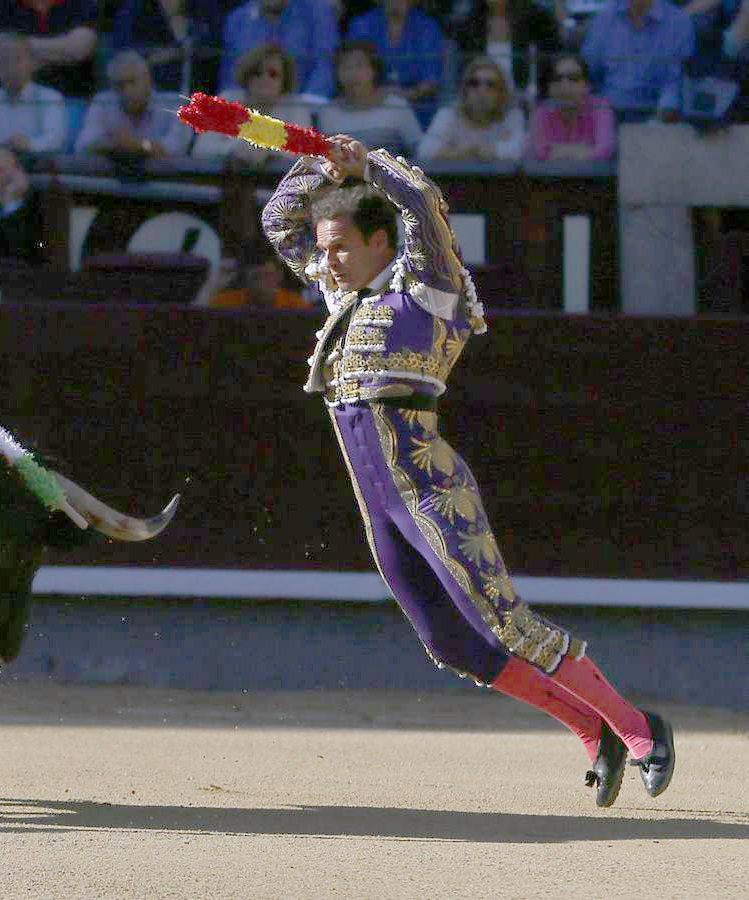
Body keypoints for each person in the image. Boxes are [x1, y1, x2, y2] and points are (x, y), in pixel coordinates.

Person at [259, 133, 675, 807]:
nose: (327, 262)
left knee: (503, 620)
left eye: (341, 247)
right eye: (324, 249)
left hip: (429, 490)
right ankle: (588, 728)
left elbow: (420, 202)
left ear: (381, 245)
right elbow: (279, 222)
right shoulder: (343, 299)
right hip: (379, 505)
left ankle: (638, 729)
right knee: (448, 642)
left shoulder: (430, 291)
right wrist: (317, 165)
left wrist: (368, 165)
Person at [192, 42, 323, 166]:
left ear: (284, 81)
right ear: (247, 76)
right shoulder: (227, 100)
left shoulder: (296, 106)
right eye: (257, 73)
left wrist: (265, 149)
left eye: (273, 74)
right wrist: (235, 149)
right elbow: (200, 150)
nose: (264, 79)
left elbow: (307, 154)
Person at [580, 0, 696, 122]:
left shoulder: (679, 23)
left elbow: (674, 85)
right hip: (605, 112)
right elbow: (589, 73)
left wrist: (655, 124)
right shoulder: (602, 19)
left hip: (656, 114)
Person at [344, 0, 448, 123]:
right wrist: (380, 97)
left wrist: (403, 96)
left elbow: (431, 80)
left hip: (419, 111)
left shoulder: (428, 27)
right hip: (367, 107)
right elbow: (353, 72)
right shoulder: (360, 25)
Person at [72, 51, 193, 157]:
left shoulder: (175, 104)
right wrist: (113, 144)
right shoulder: (103, 102)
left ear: (148, 79)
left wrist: (139, 145)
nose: (127, 91)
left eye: (132, 82)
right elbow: (83, 146)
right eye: (120, 85)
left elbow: (175, 149)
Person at [314, 41, 424, 155]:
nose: (353, 73)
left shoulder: (396, 106)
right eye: (346, 67)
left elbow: (418, 152)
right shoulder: (328, 112)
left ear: (373, 71)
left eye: (359, 66)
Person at [215, 0, 341, 100]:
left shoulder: (319, 12)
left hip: (301, 106)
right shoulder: (236, 19)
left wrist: (306, 107)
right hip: (250, 105)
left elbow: (325, 65)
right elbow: (230, 76)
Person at [0, 0, 102, 98]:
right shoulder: (6, 3)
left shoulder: (80, 3)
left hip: (71, 96)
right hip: (15, 96)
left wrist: (16, 53)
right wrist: (61, 51)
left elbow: (79, 48)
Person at [0, 33, 69, 153]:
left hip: (36, 166)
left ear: (33, 63)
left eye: (17, 59)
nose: (11, 66)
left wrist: (29, 145)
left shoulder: (51, 98)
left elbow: (55, 140)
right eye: (5, 60)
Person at [417, 55, 527, 162]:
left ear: (501, 93)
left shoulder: (512, 116)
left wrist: (483, 151)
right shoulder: (449, 114)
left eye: (490, 84)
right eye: (474, 83)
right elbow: (424, 151)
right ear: (465, 90)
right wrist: (465, 153)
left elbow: (522, 150)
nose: (481, 90)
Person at [108, 0, 226, 96]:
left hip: (204, 94)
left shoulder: (205, 7)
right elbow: (123, 54)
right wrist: (173, 53)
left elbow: (215, 44)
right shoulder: (134, 9)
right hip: (154, 100)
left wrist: (182, 50)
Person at [453, 0, 565, 98]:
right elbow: (463, 75)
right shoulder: (469, 24)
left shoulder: (539, 19)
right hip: (481, 106)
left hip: (528, 105)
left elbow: (554, 66)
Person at [527, 54, 616, 161]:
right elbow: (538, 153)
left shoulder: (600, 107)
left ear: (587, 85)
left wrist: (558, 150)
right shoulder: (542, 111)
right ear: (549, 88)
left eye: (573, 78)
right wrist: (584, 149)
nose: (564, 85)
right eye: (557, 79)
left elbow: (605, 151)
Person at [192, 249, 314, 309]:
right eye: (256, 277)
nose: (263, 283)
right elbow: (198, 316)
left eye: (268, 275)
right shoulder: (225, 303)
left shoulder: (295, 305)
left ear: (279, 276)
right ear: (246, 278)